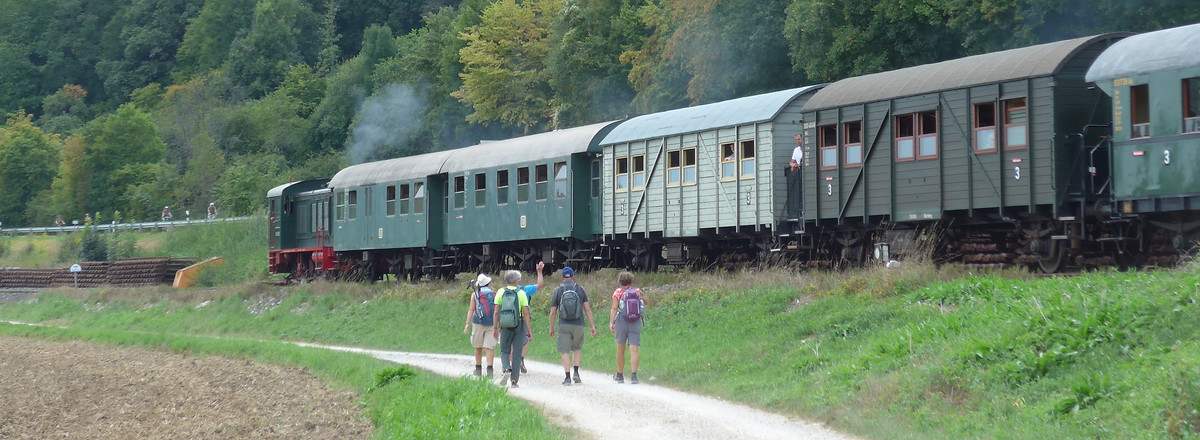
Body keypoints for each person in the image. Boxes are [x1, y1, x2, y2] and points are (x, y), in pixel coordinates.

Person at [492, 262, 544, 388]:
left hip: (505, 325)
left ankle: (506, 369)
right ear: (516, 281)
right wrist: (529, 330)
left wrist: (495, 327)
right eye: (519, 279)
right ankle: (514, 381)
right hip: (519, 325)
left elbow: (496, 311)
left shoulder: (500, 292)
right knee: (517, 353)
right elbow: (526, 313)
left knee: (504, 350)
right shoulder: (521, 293)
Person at [547, 266, 597, 385]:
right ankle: (576, 373)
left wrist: (551, 327)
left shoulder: (558, 290)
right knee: (577, 348)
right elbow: (587, 309)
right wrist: (592, 326)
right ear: (573, 277)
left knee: (565, 351)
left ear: (562, 278)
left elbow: (553, 311)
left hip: (563, 324)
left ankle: (567, 378)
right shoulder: (580, 289)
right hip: (578, 324)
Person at [610, 272, 645, 384]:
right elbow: (645, 303)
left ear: (620, 281)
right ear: (631, 281)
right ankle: (634, 376)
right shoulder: (638, 291)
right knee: (634, 350)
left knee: (621, 349)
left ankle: (620, 375)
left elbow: (615, 308)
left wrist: (611, 322)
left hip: (622, 321)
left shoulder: (618, 292)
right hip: (635, 321)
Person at [463, 273, 497, 376]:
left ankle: (478, 369)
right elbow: (496, 310)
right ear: (488, 283)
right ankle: (490, 370)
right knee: (489, 347)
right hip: (491, 323)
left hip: (478, 322)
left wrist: (467, 324)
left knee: (478, 346)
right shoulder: (494, 294)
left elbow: (471, 309)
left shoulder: (475, 294)